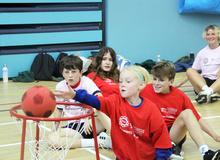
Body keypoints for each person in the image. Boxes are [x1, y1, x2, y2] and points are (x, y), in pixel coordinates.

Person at [54, 65, 173, 160]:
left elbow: (163, 145)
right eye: (121, 81)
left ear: (141, 85)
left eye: (128, 81)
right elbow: (95, 101)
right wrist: (75, 95)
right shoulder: (115, 101)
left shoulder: (151, 110)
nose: (122, 85)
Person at [140, 61, 220, 160]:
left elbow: (196, 118)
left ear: (171, 81)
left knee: (188, 113)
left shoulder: (180, 96)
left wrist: (215, 136)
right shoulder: (144, 91)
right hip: (153, 132)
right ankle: (169, 150)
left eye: (160, 80)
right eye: (154, 79)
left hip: (173, 133)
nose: (156, 83)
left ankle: (205, 152)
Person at [48, 55, 110, 149]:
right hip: (74, 126)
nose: (70, 75)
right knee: (51, 140)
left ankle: (109, 137)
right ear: (62, 73)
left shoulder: (86, 82)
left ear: (81, 73)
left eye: (73, 72)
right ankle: (98, 142)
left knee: (103, 114)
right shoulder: (60, 86)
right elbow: (59, 110)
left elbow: (100, 100)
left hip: (92, 123)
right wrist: (55, 128)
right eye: (67, 72)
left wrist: (90, 118)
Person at [186, 24, 220, 104]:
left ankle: (208, 93)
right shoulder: (202, 52)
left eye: (213, 34)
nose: (210, 36)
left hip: (218, 83)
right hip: (203, 85)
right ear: (205, 36)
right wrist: (179, 84)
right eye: (208, 34)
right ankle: (208, 92)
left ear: (218, 35)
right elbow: (193, 72)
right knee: (189, 70)